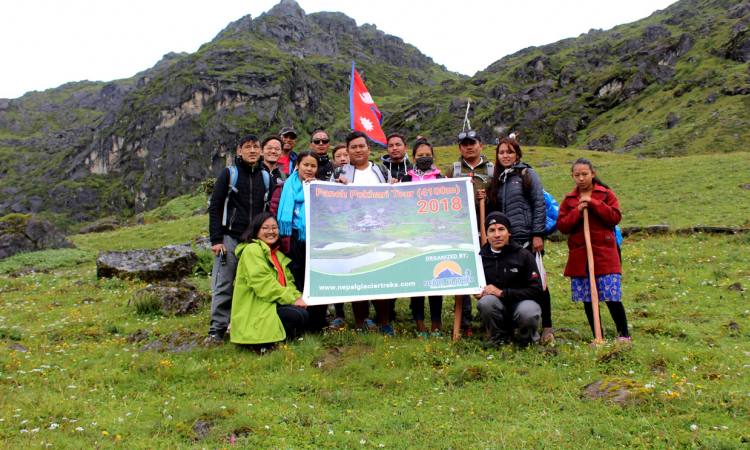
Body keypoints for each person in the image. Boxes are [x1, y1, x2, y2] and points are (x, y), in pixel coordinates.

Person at [207, 134, 275, 343]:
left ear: (261, 151)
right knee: (224, 283)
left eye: (256, 147)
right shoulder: (229, 174)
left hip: (254, 242)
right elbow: (215, 207)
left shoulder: (266, 177)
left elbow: (269, 208)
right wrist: (216, 240)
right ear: (239, 151)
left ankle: (245, 324)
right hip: (230, 238)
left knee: (252, 284)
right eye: (248, 147)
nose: (252, 151)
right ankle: (217, 330)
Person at [486, 137, 554, 344]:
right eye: (502, 152)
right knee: (506, 278)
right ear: (497, 156)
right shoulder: (497, 179)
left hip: (526, 237)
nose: (505, 156)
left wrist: (537, 233)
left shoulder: (527, 174)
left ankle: (548, 326)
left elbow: (538, 203)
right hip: (504, 239)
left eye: (510, 152)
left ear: (517, 154)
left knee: (538, 281)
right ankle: (508, 325)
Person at [557, 158, 631, 342]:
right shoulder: (569, 200)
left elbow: (614, 217)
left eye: (585, 174)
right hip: (580, 256)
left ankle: (623, 335)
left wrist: (594, 204)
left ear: (593, 174)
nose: (581, 178)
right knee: (588, 298)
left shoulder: (606, 195)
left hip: (605, 254)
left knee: (611, 296)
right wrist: (577, 211)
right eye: (577, 175)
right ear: (572, 176)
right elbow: (563, 226)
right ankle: (597, 335)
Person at [336, 131, 393, 334]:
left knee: (381, 276)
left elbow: (391, 198)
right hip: (353, 233)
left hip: (380, 232)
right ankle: (360, 323)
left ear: (368, 149)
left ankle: (384, 322)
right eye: (354, 147)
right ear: (348, 151)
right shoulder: (340, 174)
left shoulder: (381, 171)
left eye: (362, 146)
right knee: (357, 276)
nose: (358, 150)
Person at [230, 212, 308, 348]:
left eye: (274, 227)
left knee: (307, 313)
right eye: (265, 228)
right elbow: (264, 284)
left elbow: (288, 282)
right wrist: (292, 300)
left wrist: (298, 298)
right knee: (297, 315)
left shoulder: (276, 254)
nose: (270, 231)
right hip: (258, 307)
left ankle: (280, 339)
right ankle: (260, 343)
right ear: (256, 230)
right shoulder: (252, 250)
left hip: (272, 303)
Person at [270, 150, 328, 331]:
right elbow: (273, 213)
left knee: (316, 280)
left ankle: (317, 323)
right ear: (297, 166)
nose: (309, 169)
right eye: (306, 165)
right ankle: (300, 321)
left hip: (315, 241)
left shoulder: (322, 188)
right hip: (291, 241)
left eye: (313, 166)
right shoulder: (283, 188)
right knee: (296, 281)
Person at [447, 129, 493, 337]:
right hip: (461, 230)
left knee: (489, 272)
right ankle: (464, 322)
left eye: (472, 143)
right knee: (463, 273)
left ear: (480, 145)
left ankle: (489, 319)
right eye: (464, 144)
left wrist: (488, 196)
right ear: (460, 148)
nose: (469, 147)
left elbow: (500, 197)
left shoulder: (493, 169)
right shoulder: (453, 169)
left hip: (488, 229)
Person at [476, 212, 543, 346]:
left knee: (528, 311)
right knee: (485, 302)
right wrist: (477, 292)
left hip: (521, 304)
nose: (497, 235)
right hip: (496, 307)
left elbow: (536, 290)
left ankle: (527, 339)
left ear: (509, 233)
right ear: (486, 235)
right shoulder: (480, 258)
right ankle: (498, 337)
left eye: (501, 229)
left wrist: (502, 293)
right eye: (492, 230)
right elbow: (476, 286)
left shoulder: (524, 255)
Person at [400, 139, 444, 336]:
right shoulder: (405, 178)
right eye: (420, 155)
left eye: (427, 155)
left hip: (435, 236)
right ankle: (419, 323)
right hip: (413, 237)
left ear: (432, 156)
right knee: (417, 279)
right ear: (413, 157)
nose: (424, 158)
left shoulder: (441, 178)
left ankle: (436, 322)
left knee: (436, 277)